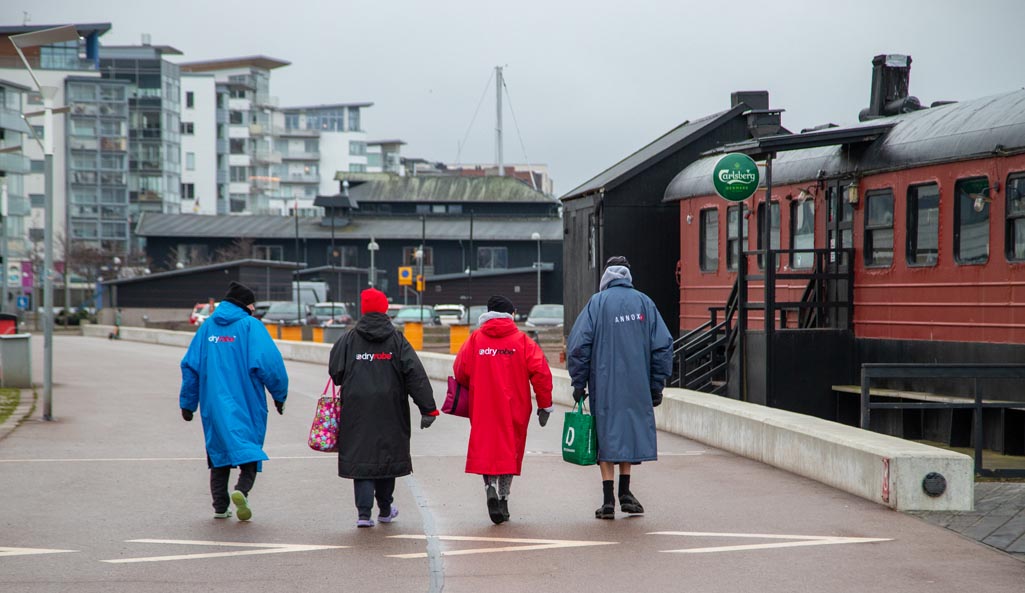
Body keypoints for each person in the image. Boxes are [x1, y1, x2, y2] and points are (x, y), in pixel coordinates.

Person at [566, 256, 673, 520]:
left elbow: (579, 346)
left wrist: (579, 383)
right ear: (628, 277)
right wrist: (656, 383)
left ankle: (608, 501)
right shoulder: (644, 303)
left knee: (606, 436)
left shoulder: (597, 303)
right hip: (637, 385)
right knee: (628, 431)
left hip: (605, 384)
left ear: (606, 277)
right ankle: (626, 492)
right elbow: (663, 346)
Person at [328, 288, 438, 528]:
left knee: (361, 458)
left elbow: (335, 373)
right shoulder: (397, 340)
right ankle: (386, 510)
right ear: (385, 309)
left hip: (356, 410)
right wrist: (428, 409)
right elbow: (414, 374)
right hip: (391, 409)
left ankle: (364, 514)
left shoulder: (348, 339)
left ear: (363, 309)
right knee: (387, 457)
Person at [179, 281, 288, 521]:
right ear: (247, 305)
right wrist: (279, 395)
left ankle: (220, 506)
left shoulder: (207, 328)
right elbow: (271, 364)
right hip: (246, 402)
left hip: (214, 404)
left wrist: (188, 402)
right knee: (248, 449)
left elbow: (190, 366)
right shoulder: (251, 326)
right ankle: (241, 490)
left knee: (218, 452)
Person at [454, 295, 553, 524]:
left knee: (487, 449)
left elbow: (460, 370)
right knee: (510, 451)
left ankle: (489, 486)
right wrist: (544, 405)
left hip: (484, 406)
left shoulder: (475, 339)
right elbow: (541, 372)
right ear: (511, 315)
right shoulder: (522, 341)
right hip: (515, 407)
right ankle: (504, 499)